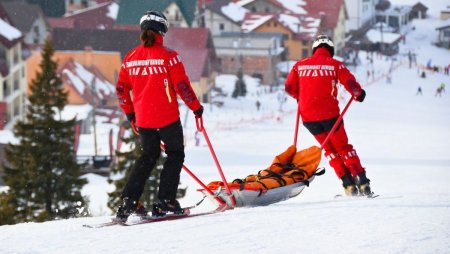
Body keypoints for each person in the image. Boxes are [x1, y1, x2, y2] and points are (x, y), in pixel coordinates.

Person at [115, 10, 204, 221]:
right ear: (162, 29)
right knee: (175, 154)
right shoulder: (169, 57)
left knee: (147, 158)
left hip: (144, 120)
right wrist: (196, 107)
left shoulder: (130, 58)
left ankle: (129, 201)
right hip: (167, 118)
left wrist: (130, 115)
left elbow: (121, 89)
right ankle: (165, 201)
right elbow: (182, 86)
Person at [285, 35, 372, 196]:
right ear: (330, 50)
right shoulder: (335, 65)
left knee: (330, 149)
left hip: (309, 118)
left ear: (314, 49)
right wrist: (359, 94)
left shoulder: (299, 65)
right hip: (330, 116)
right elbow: (351, 85)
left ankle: (348, 185)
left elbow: (290, 87)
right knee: (343, 148)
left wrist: (301, 97)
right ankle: (362, 181)